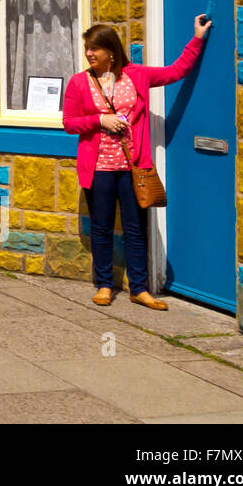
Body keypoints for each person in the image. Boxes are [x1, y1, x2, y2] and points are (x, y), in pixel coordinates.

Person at [62, 16, 211, 310]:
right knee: (102, 227)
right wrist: (98, 119)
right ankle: (104, 285)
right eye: (87, 49)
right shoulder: (80, 83)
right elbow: (69, 123)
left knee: (135, 228)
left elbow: (176, 71)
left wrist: (197, 38)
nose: (89, 54)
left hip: (133, 167)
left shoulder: (137, 75)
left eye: (95, 48)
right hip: (99, 168)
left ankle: (139, 289)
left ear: (111, 51)